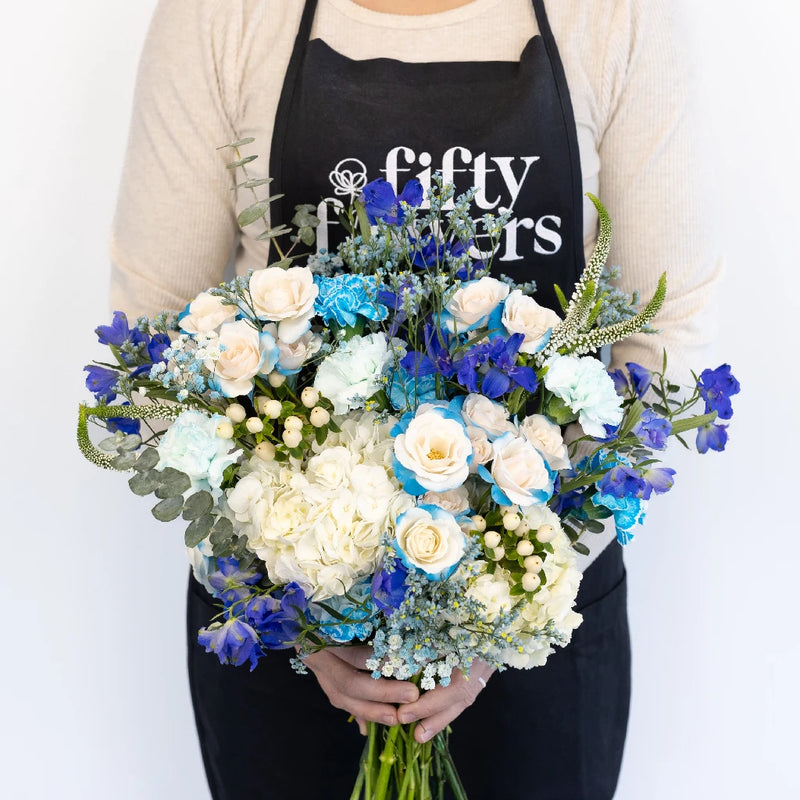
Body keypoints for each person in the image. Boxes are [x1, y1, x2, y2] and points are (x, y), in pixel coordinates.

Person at [110, 1, 719, 797]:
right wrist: (294, 607)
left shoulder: (617, 16)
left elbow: (668, 332)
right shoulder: (222, 17)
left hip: (541, 621)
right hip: (286, 631)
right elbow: (158, 344)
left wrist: (509, 604)